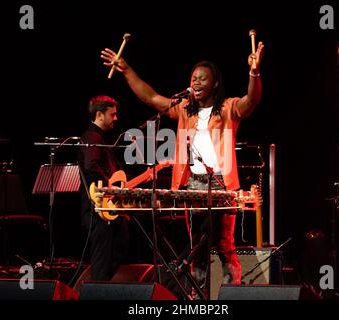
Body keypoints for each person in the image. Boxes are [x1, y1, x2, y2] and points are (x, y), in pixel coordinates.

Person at [100, 41, 264, 294]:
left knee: (224, 245)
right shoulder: (185, 110)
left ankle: (233, 295)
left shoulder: (229, 108)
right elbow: (151, 97)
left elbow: (252, 100)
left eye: (202, 78)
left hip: (222, 184)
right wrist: (126, 70)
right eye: (193, 78)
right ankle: (197, 299)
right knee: (196, 250)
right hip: (193, 184)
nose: (196, 82)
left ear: (215, 83)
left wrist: (253, 72)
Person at [78, 95, 129, 281]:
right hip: (97, 209)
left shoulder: (100, 138)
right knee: (102, 261)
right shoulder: (92, 136)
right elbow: (91, 166)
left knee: (117, 248)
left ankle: (106, 289)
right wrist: (110, 188)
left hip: (105, 207)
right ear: (100, 114)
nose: (116, 118)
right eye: (112, 114)